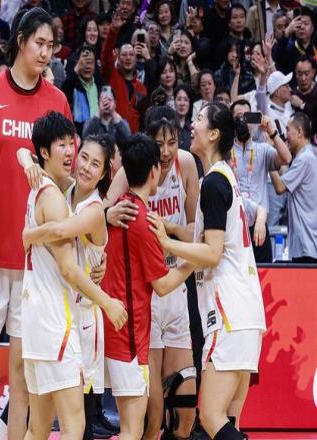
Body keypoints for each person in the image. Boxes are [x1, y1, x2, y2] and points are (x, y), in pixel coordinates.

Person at [0, 8, 76, 440]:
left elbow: (67, 178)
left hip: (35, 262)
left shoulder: (57, 101)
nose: (45, 53)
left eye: (51, 46)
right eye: (39, 43)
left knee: (24, 378)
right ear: (20, 41)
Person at [148, 102, 266, 440]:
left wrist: (166, 243)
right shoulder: (223, 177)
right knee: (230, 420)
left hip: (228, 314)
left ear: (213, 134)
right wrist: (171, 237)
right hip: (246, 314)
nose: (192, 124)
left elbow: (211, 253)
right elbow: (205, 245)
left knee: (212, 417)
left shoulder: (213, 183)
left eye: (199, 119)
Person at [20, 113, 127, 439]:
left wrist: (29, 234)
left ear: (103, 174)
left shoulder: (92, 209)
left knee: (46, 426)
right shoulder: (58, 191)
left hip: (66, 318)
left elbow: (60, 231)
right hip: (60, 318)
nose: (79, 161)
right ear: (45, 152)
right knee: (72, 425)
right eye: (82, 156)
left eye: (95, 164)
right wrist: (25, 159)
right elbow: (68, 267)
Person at [105, 108, 200, 440]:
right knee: (150, 414)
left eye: (172, 142)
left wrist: (168, 231)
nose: (166, 151)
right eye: (159, 144)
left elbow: (196, 232)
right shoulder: (133, 174)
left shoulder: (186, 165)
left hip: (175, 284)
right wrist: (108, 212)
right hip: (148, 293)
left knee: (186, 405)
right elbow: (101, 212)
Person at [230, 99, 291, 262]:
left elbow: (286, 158)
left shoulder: (262, 149)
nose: (243, 121)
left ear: (254, 121)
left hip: (259, 225)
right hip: (233, 227)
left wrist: (272, 132)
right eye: (239, 117)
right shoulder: (225, 152)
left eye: (247, 116)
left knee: (264, 273)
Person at [270, 113, 317, 263]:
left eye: (288, 129)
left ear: (300, 131)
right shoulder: (307, 156)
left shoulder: (305, 159)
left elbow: (279, 187)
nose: (286, 135)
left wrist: (269, 161)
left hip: (307, 242)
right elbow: (285, 177)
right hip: (306, 241)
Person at [101, 7, 147, 133]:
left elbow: (144, 119)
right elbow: (106, 56)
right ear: (118, 59)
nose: (128, 58)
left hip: (134, 141)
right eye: (124, 55)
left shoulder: (141, 88)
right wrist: (113, 30)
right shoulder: (112, 76)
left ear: (136, 59)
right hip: (113, 138)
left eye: (131, 54)